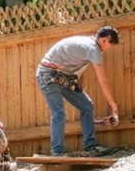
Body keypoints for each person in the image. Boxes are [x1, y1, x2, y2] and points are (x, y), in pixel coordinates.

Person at [36, 26, 120, 156]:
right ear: (104, 39)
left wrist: (77, 85)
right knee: (59, 113)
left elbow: (76, 67)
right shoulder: (93, 49)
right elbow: (103, 81)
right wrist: (113, 105)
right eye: (111, 44)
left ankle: (91, 147)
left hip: (63, 76)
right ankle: (57, 152)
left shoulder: (89, 46)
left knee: (87, 106)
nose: (110, 47)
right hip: (48, 74)